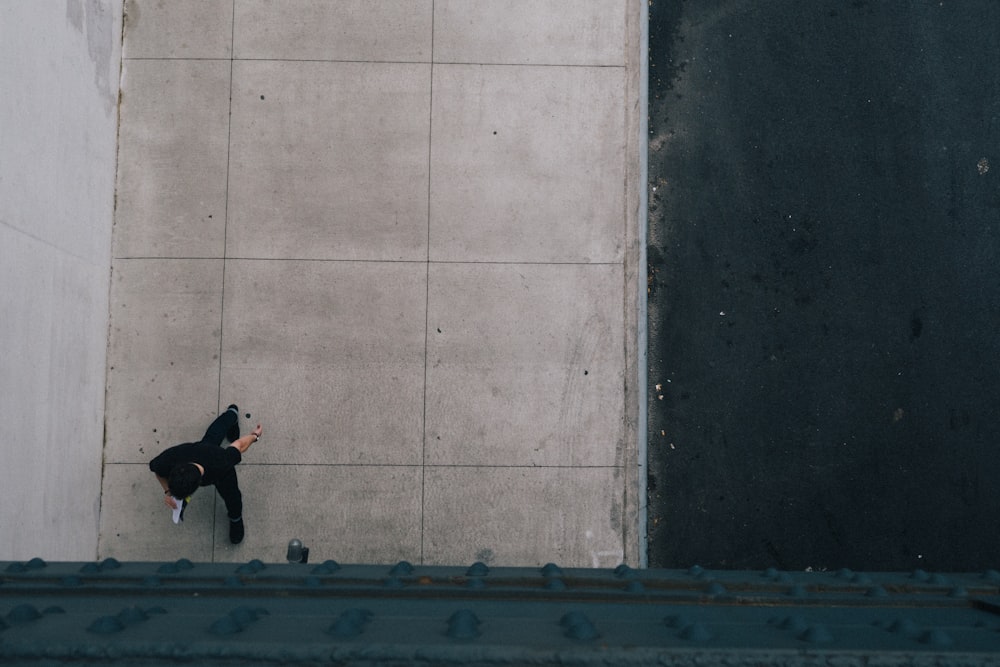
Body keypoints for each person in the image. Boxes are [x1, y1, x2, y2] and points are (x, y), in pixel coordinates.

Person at [149, 404, 262, 544]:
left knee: (233, 497)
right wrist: (167, 492)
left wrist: (255, 435)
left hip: (221, 474)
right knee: (211, 438)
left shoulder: (221, 462)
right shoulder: (168, 460)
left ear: (199, 484)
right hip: (200, 451)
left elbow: (239, 445)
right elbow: (158, 471)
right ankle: (231, 415)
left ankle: (235, 518)